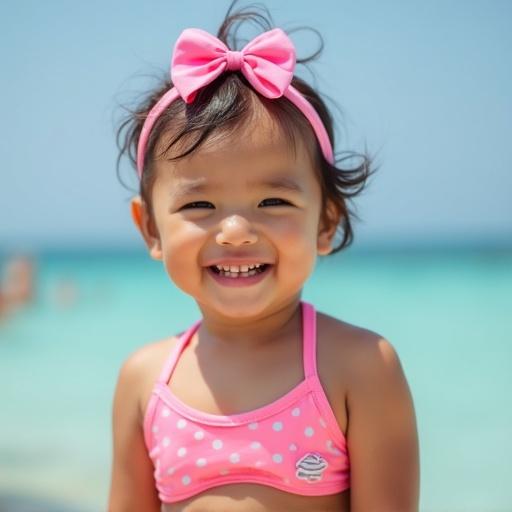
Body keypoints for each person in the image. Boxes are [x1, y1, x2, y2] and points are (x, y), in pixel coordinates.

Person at [108, 3, 420, 511]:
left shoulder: (360, 367)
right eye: (199, 204)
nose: (235, 232)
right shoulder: (144, 380)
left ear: (326, 221)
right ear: (150, 229)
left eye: (273, 202)